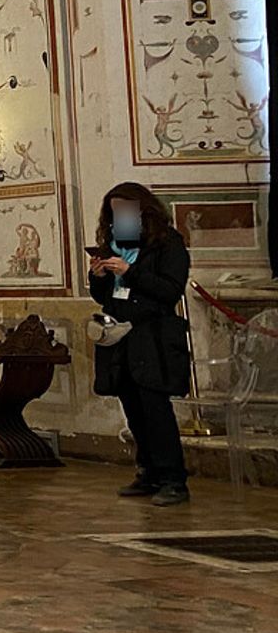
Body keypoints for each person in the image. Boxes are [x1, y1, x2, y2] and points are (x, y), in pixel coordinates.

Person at [87, 182, 193, 505]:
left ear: (144, 210)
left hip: (154, 338)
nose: (120, 216)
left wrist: (129, 272)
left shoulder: (168, 245)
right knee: (132, 408)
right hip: (121, 340)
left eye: (126, 210)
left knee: (155, 410)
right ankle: (148, 472)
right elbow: (104, 297)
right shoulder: (115, 244)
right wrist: (100, 276)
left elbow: (169, 291)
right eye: (115, 211)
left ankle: (173, 479)